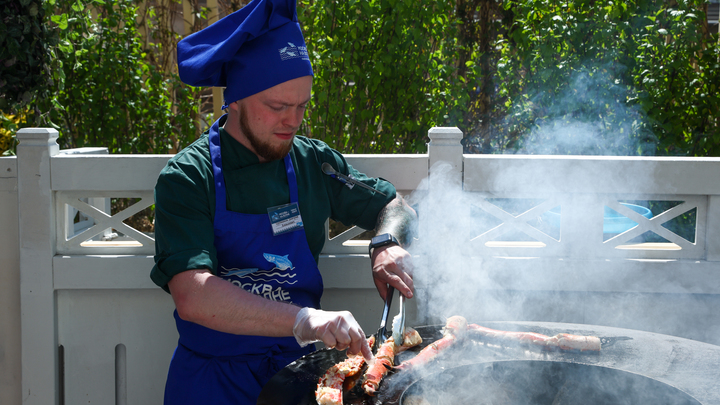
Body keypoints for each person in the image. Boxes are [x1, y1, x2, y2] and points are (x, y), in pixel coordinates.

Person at [149, 0, 418, 403]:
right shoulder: (188, 177)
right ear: (235, 99)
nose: (292, 121)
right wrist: (305, 320)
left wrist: (385, 244)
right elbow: (193, 294)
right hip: (210, 383)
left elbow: (394, 205)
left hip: (298, 379)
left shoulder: (314, 163)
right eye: (277, 107)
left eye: (301, 106)